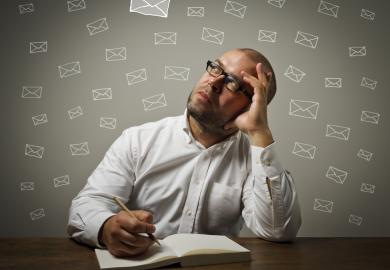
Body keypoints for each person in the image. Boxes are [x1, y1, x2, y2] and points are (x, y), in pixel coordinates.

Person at [67, 48, 302, 257]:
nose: (214, 82)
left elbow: (278, 231)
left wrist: (260, 133)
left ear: (252, 106)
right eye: (216, 68)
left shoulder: (255, 160)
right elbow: (86, 205)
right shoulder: (138, 139)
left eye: (232, 82)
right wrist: (106, 227)